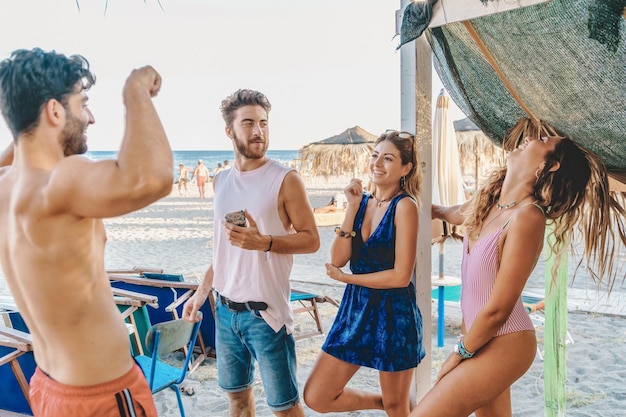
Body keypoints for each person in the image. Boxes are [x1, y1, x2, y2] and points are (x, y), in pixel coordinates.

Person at [410, 118, 626, 417]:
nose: (530, 139)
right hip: (479, 338)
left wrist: (458, 354)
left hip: (504, 342)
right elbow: (444, 212)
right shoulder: (488, 204)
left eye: (543, 141)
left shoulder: (528, 217)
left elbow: (499, 307)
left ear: (551, 166)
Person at [0, 48, 172, 417]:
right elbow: (153, 178)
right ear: (55, 111)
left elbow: (20, 149)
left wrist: (25, 129)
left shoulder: (5, 189)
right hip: (101, 397)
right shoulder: (61, 182)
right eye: (83, 103)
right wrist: (135, 91)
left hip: (48, 389)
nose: (91, 118)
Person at [181, 89, 320, 417]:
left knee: (285, 409)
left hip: (266, 316)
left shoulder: (285, 180)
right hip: (225, 314)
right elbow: (221, 248)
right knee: (238, 402)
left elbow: (311, 240)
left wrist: (266, 242)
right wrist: (200, 294)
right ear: (229, 131)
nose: (258, 131)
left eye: (263, 123)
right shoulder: (221, 181)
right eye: (248, 123)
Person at [303, 130, 426, 417]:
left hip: (394, 313)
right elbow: (338, 257)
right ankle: (382, 402)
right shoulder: (363, 203)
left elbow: (400, 277)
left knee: (398, 408)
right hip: (355, 311)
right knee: (316, 396)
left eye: (388, 158)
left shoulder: (406, 206)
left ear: (405, 168)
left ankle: (394, 404)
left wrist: (347, 279)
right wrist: (352, 207)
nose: (377, 164)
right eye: (375, 156)